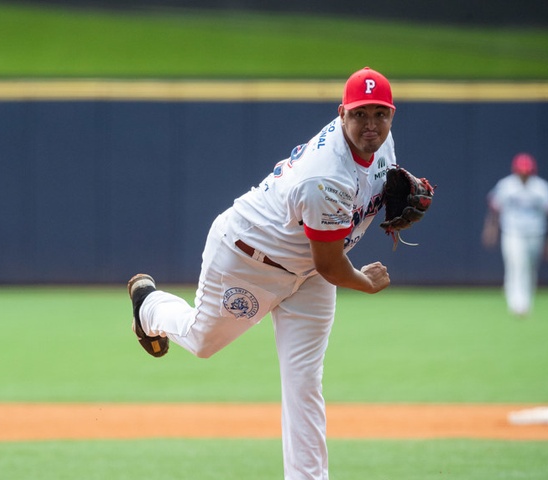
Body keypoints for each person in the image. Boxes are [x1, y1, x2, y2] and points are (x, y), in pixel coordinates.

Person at [127, 67, 400, 480]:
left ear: (391, 115)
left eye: (380, 114)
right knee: (202, 341)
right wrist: (365, 282)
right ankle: (149, 307)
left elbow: (356, 213)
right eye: (361, 114)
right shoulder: (324, 177)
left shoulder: (383, 146)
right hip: (249, 259)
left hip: (307, 273)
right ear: (342, 113)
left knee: (305, 382)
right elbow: (332, 264)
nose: (371, 125)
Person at [482, 153, 548, 316]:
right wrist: (490, 229)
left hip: (536, 232)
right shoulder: (507, 185)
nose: (524, 174)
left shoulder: (541, 187)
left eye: (527, 171)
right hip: (512, 232)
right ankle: (517, 303)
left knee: (530, 267)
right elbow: (494, 209)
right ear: (515, 171)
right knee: (516, 263)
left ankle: (524, 299)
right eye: (521, 171)